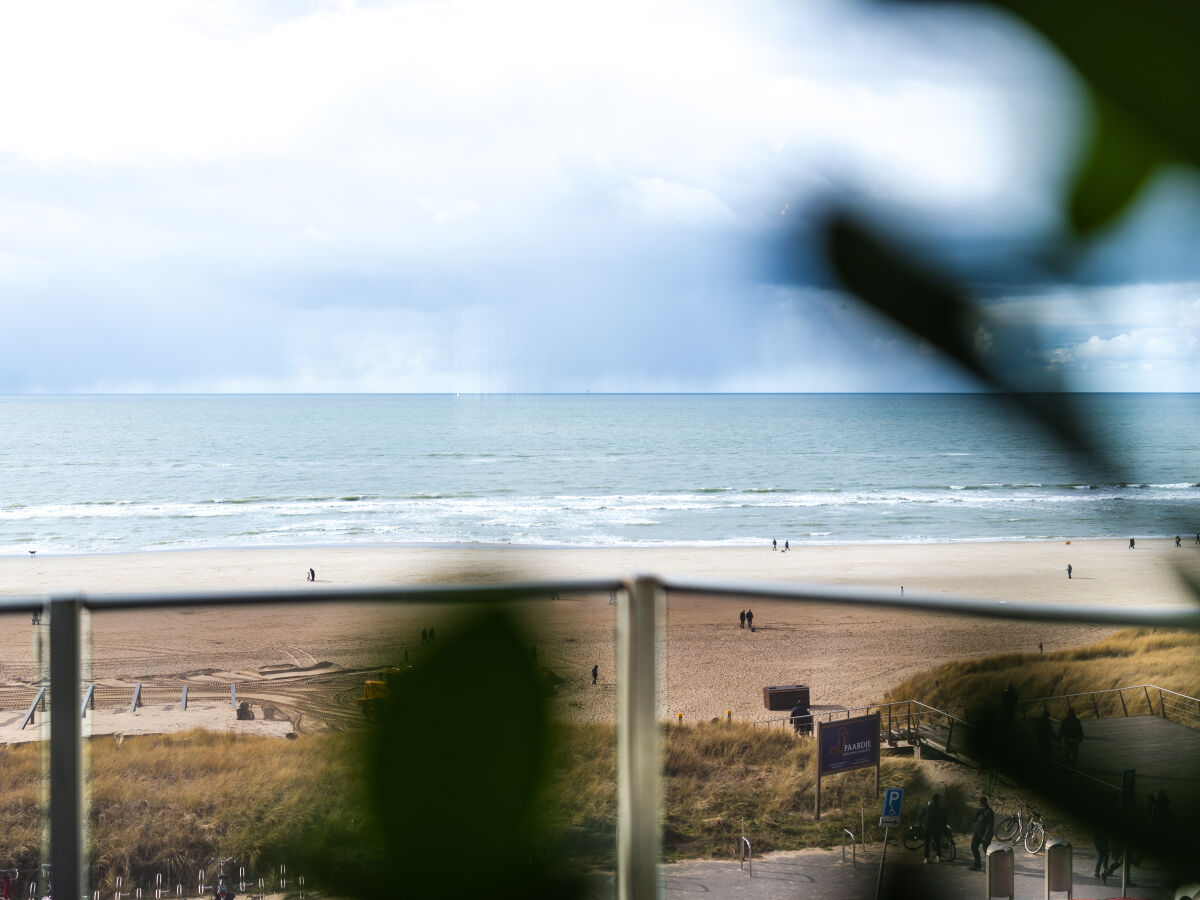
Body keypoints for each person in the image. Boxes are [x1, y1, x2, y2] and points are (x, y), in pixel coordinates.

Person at [920, 793, 948, 863]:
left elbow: (921, 815)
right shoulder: (941, 807)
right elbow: (944, 819)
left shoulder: (926, 806)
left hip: (927, 827)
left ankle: (926, 858)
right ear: (938, 800)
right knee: (937, 843)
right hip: (937, 828)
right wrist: (944, 827)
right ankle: (938, 858)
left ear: (932, 799)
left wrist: (923, 824)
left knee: (927, 843)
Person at [970, 796, 994, 870]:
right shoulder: (980, 811)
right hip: (977, 833)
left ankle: (990, 868)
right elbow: (975, 820)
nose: (978, 803)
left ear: (983, 803)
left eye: (980, 802)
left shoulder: (989, 812)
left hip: (985, 835)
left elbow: (990, 825)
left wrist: (985, 836)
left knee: (986, 851)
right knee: (973, 847)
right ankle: (977, 865)